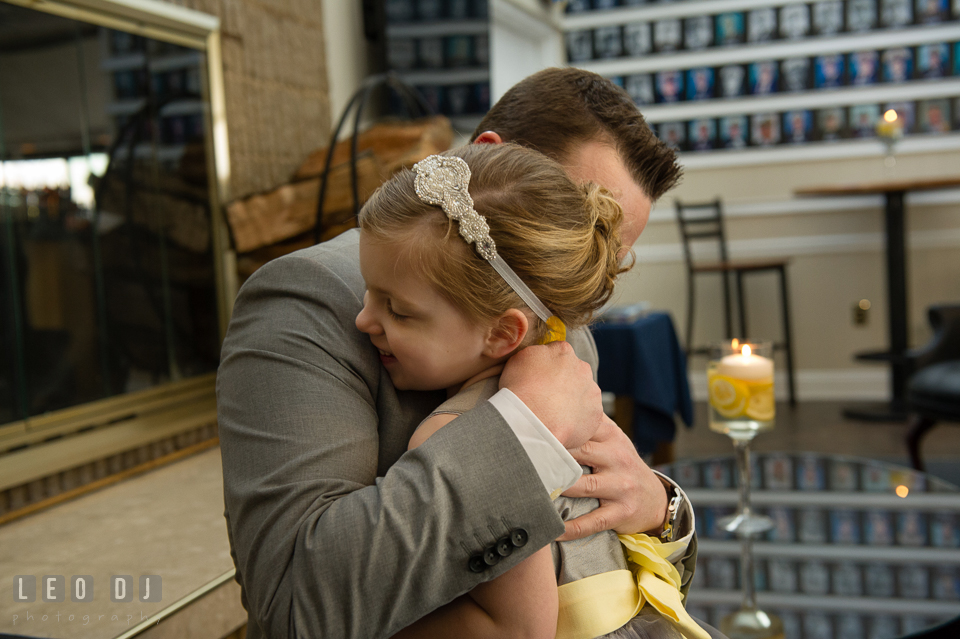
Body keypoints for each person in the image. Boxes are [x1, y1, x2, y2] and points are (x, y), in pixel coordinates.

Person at [217, 67, 693, 639]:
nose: (582, 279)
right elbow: (294, 609)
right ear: (488, 159)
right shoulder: (308, 299)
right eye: (567, 213)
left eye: (606, 249)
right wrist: (522, 432)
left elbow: (605, 545)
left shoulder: (554, 307)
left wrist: (659, 507)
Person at [357, 144, 707, 639]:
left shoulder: (454, 435)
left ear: (503, 334)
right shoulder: (568, 380)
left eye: (397, 310)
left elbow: (519, 630)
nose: (362, 319)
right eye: (368, 292)